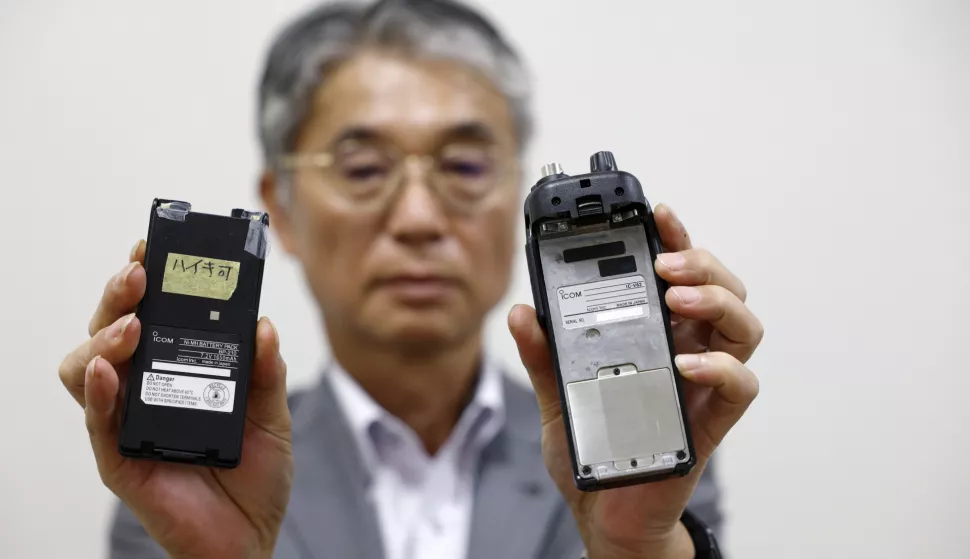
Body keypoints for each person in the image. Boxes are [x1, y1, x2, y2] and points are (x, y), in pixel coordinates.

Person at [58, 1, 763, 557]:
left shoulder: (638, 441)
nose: (420, 218)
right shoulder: (195, 470)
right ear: (282, 210)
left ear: (517, 193)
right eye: (363, 169)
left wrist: (637, 551)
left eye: (464, 166)